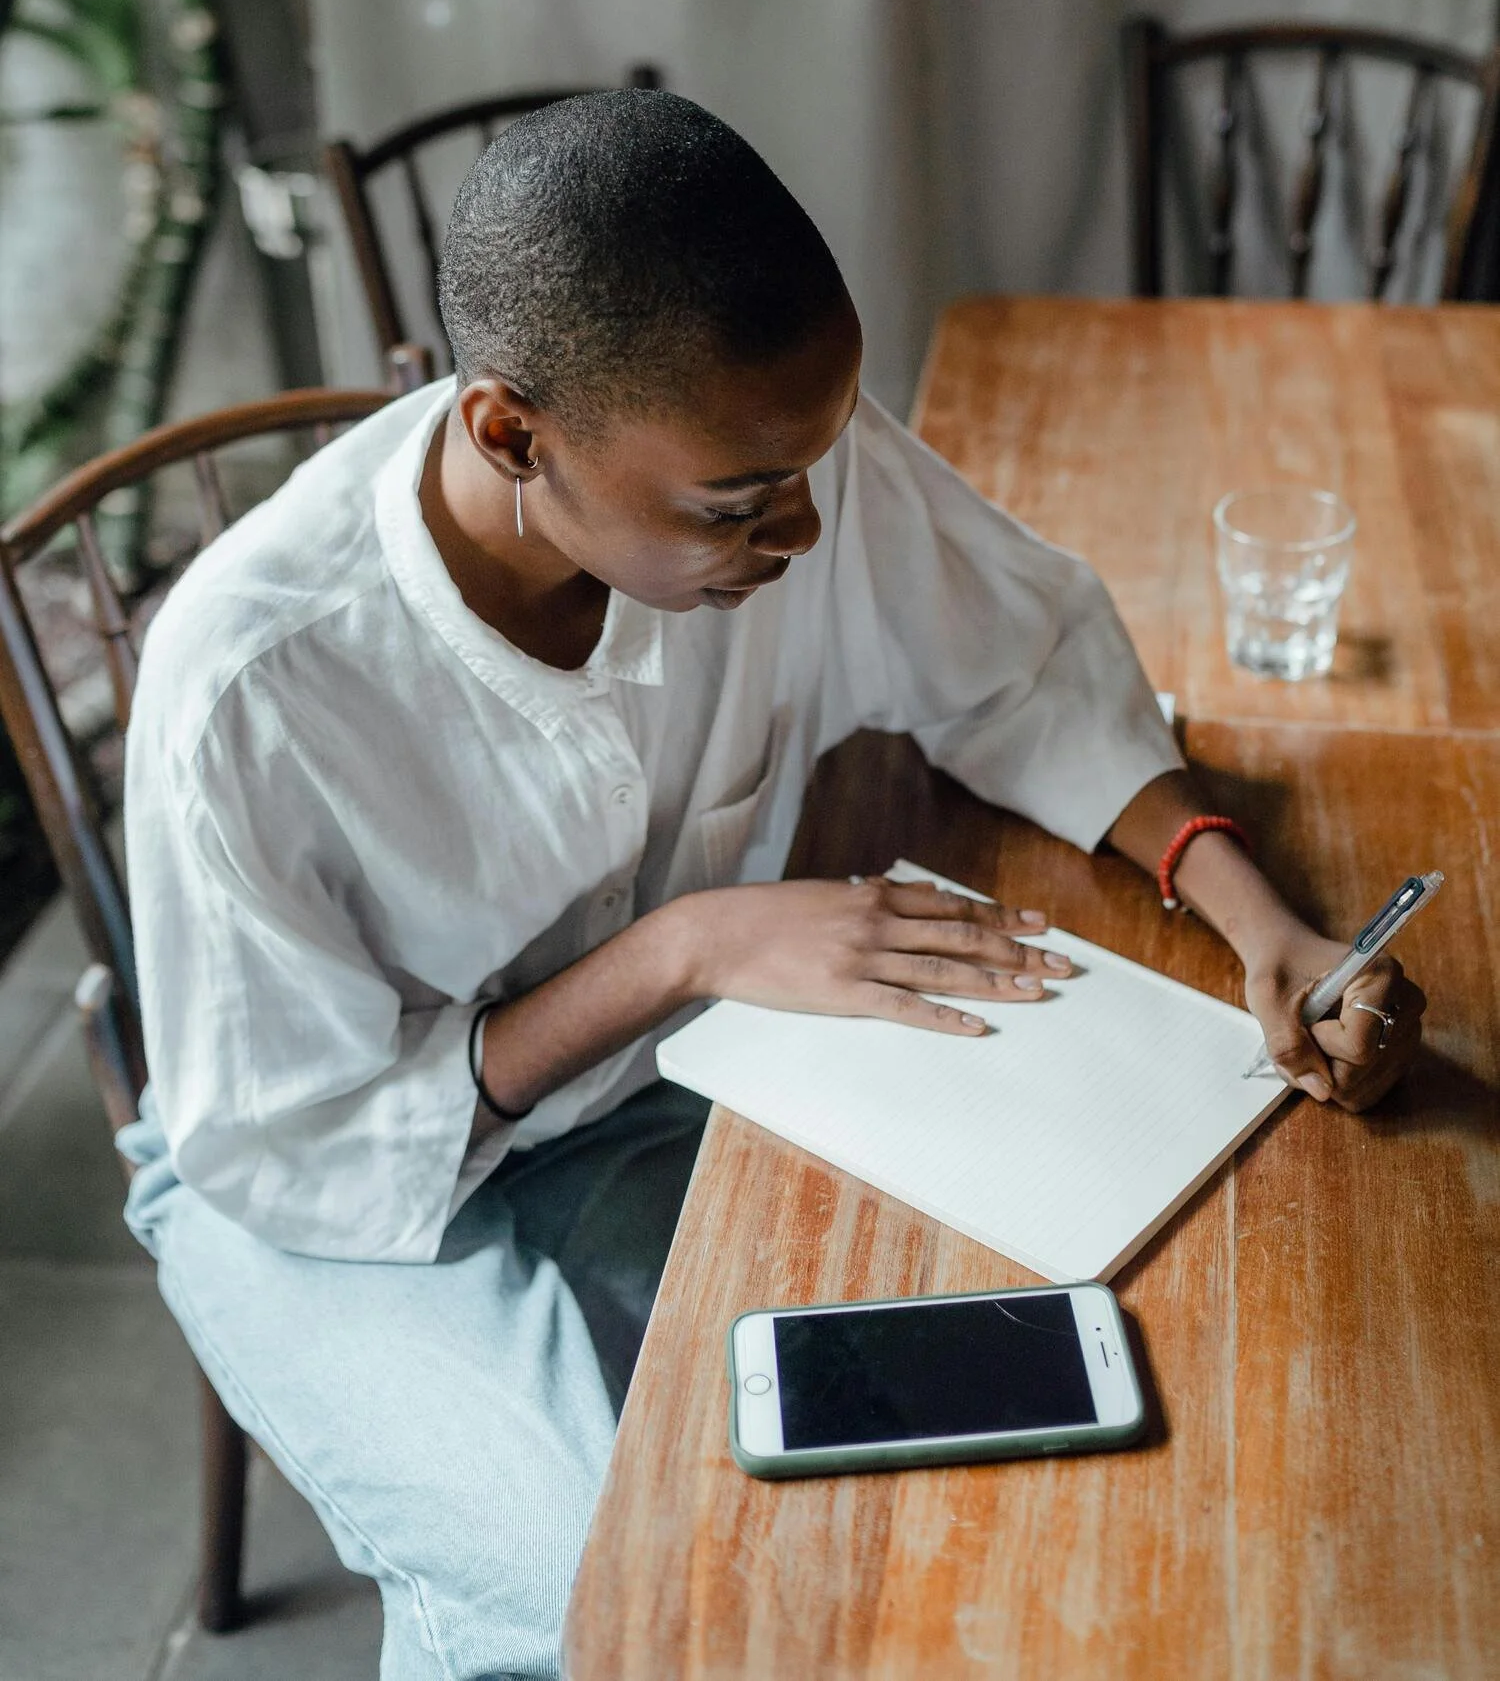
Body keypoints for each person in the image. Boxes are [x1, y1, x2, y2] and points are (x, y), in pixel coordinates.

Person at [120, 88, 1423, 1680]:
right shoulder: (249, 686)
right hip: (311, 1182)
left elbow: (1019, 670)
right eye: (741, 506)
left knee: (991, 1382)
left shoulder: (763, 443)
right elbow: (289, 1133)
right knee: (572, 1590)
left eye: (813, 463)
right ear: (511, 434)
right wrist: (687, 945)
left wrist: (1259, 916)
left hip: (634, 1089)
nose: (806, 526)